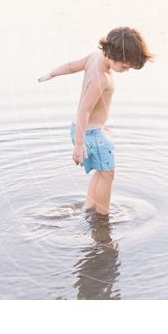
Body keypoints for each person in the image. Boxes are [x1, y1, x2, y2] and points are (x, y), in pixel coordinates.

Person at [38, 26, 154, 215]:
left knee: (102, 171)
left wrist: (53, 73)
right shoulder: (103, 78)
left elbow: (71, 66)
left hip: (87, 129)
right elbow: (85, 108)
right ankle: (103, 215)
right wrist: (79, 143)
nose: (126, 70)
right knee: (108, 174)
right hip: (88, 133)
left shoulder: (94, 58)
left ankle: (89, 207)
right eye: (125, 66)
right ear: (112, 54)